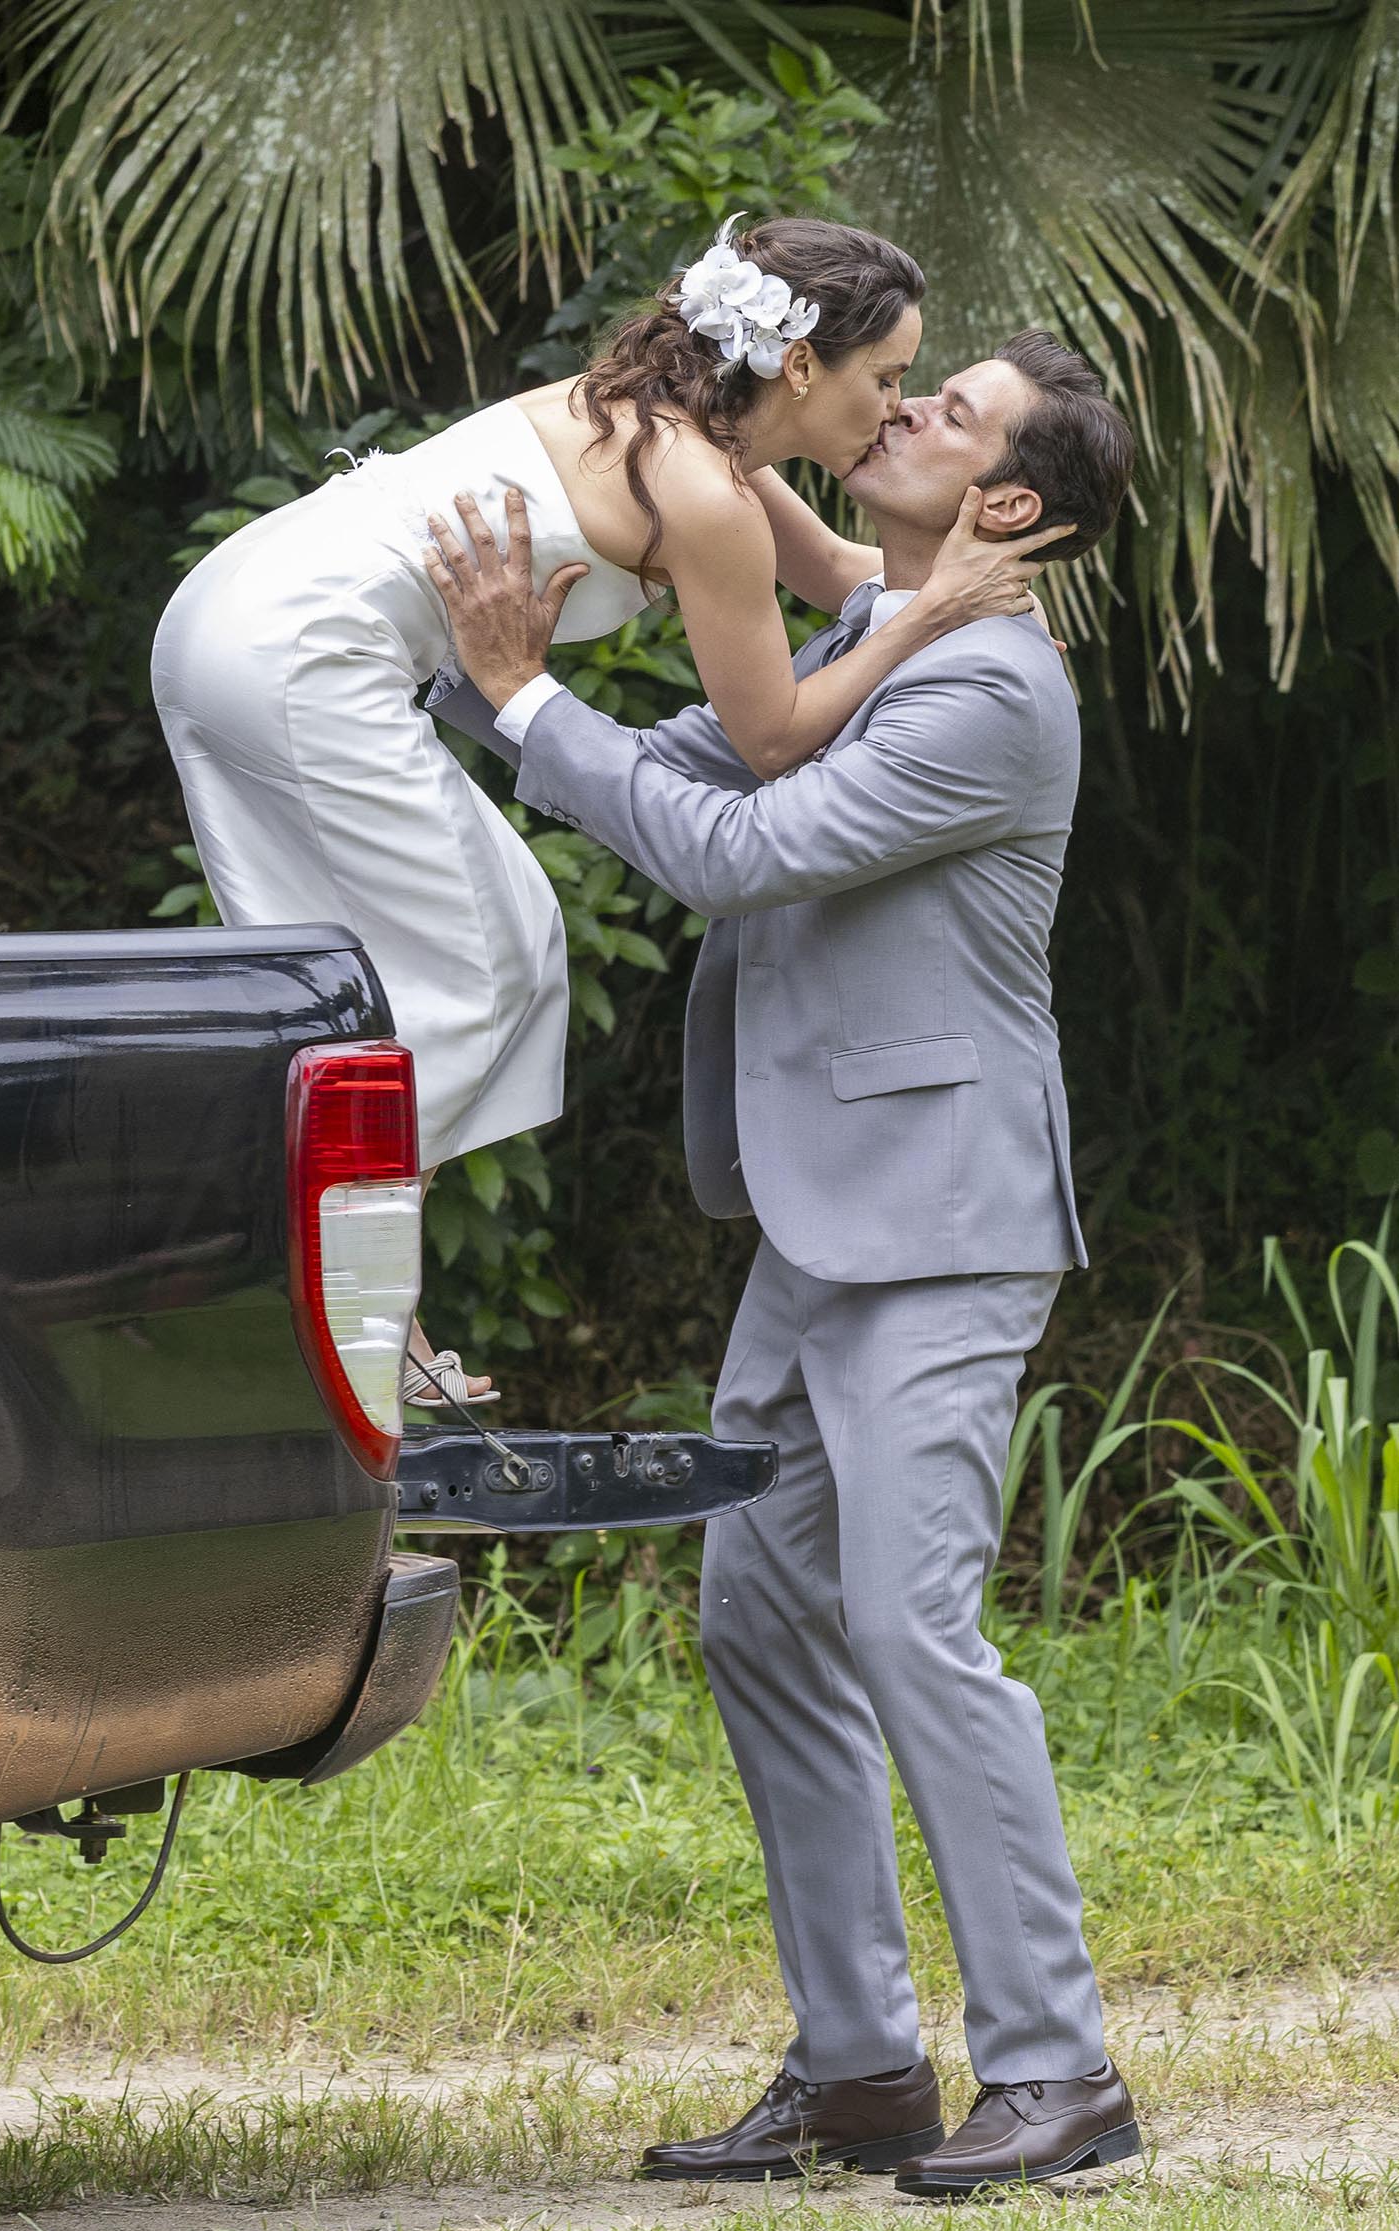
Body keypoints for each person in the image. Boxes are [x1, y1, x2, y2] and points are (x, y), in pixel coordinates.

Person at [420, 329, 1142, 2199]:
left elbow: (745, 849)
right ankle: (863, 2071)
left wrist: (524, 705)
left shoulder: (986, 687)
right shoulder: (865, 640)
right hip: (822, 1224)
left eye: (949, 411)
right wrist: (468, 691)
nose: (899, 408)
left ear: (1010, 504)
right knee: (760, 1622)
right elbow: (687, 751)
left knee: (913, 1627)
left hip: (940, 1227)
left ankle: (1061, 2077)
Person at [150, 217, 1057, 1406]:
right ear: (799, 365)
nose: (894, 409)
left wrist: (964, 597)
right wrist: (939, 619)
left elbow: (850, 577)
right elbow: (773, 737)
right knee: (489, 971)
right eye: (887, 378)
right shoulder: (709, 491)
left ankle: (363, 1326)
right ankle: (320, 1305)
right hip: (299, 653)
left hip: (227, 611)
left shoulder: (673, 425)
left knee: (348, 985)